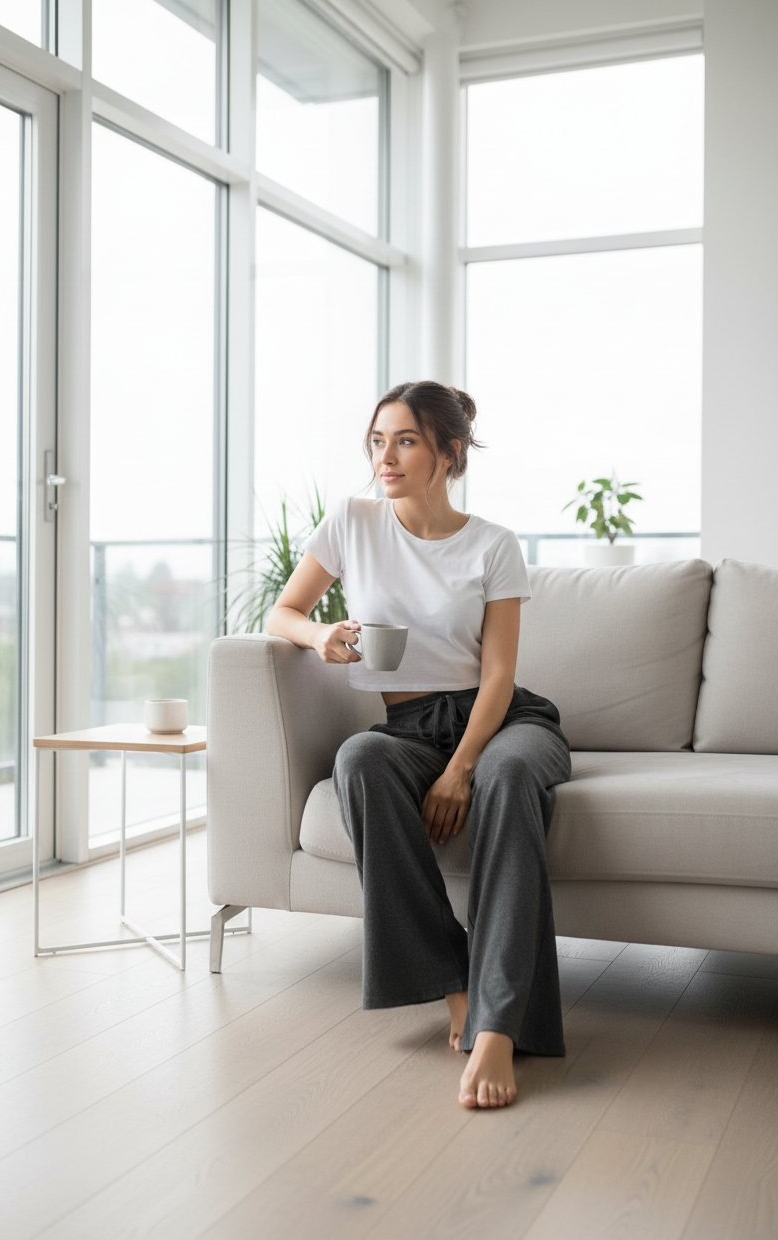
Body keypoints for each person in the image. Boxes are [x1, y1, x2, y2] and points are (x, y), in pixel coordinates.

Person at [265, 380, 571, 1108]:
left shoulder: (493, 545)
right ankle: (453, 980)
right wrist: (322, 636)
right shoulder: (353, 522)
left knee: (507, 780)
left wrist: (462, 767)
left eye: (405, 440)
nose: (386, 456)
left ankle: (500, 1024)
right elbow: (285, 611)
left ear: (449, 454)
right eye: (378, 440)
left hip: (502, 722)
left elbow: (499, 675)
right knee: (359, 760)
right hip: (408, 729)